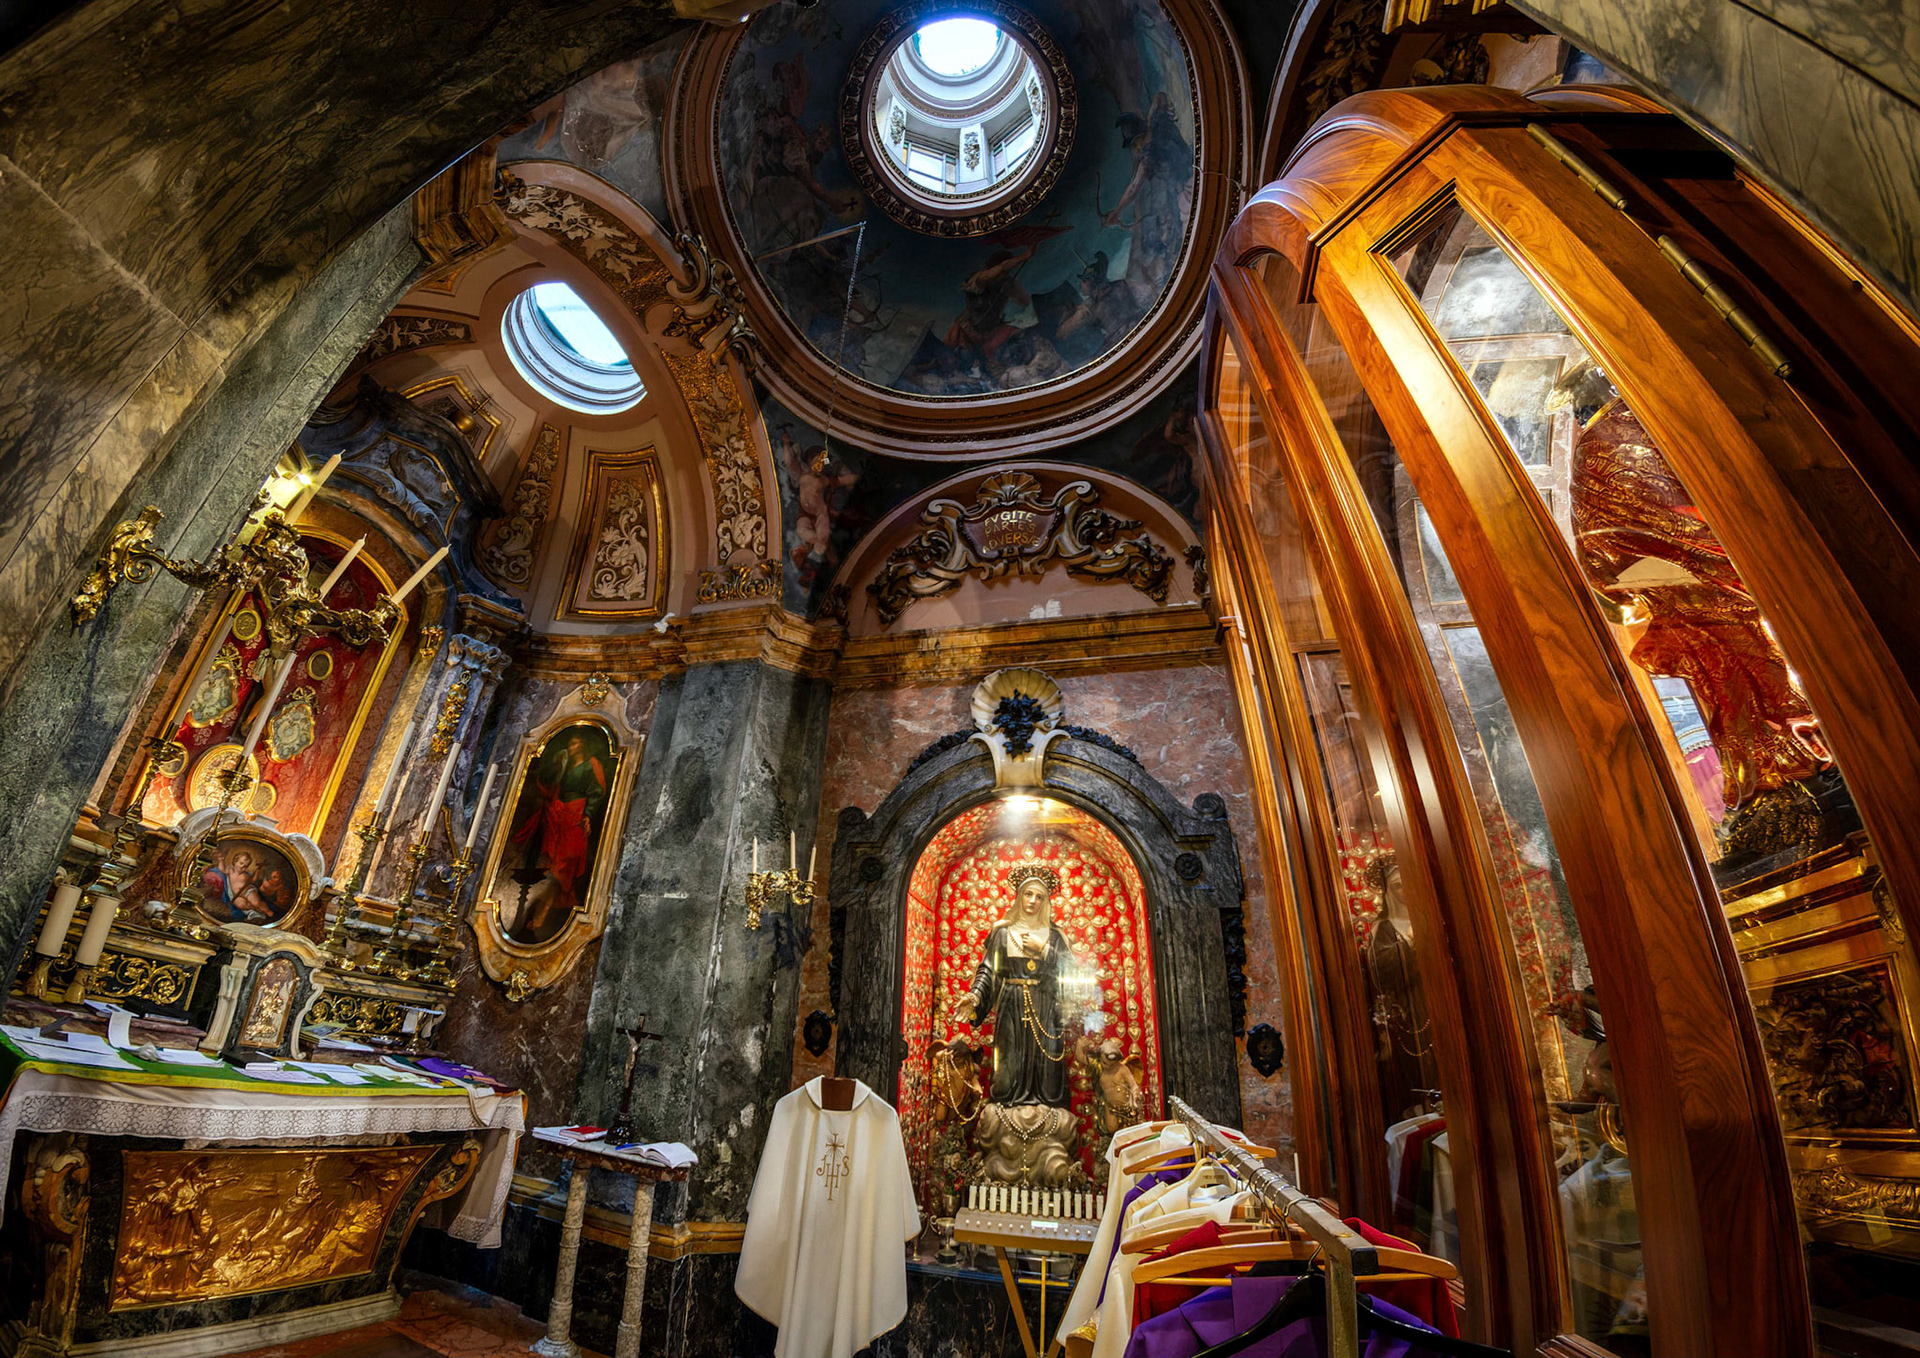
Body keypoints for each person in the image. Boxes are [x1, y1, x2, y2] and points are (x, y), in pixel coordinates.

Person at [949, 863, 1076, 1107]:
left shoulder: (1055, 936)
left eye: (1040, 897)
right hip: (1011, 1004)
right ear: (1019, 897)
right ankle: (1008, 1108)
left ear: (1045, 902)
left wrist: (1044, 950)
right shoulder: (1003, 933)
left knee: (1047, 1072)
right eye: (1028, 894)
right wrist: (974, 997)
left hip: (1045, 1004)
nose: (1033, 901)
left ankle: (1047, 1110)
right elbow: (989, 970)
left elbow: (1070, 974)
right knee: (1008, 1067)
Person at [508, 730, 610, 941]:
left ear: (583, 745)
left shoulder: (591, 764)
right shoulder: (564, 764)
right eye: (570, 744)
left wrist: (589, 815)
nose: (571, 747)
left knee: (565, 862)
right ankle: (539, 911)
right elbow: (549, 784)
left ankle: (542, 913)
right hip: (557, 813)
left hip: (576, 813)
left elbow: (597, 792)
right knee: (551, 859)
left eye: (574, 744)